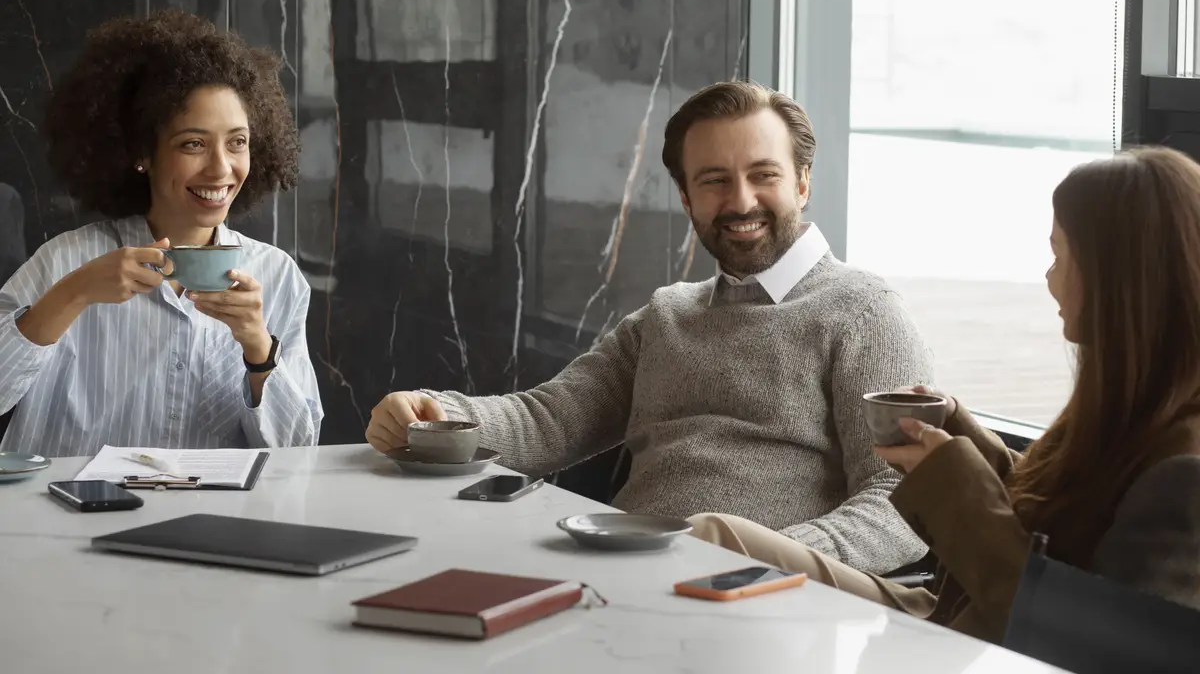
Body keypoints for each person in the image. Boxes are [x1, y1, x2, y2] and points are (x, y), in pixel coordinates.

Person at [367, 81, 933, 574]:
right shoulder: (669, 316)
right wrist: (434, 414)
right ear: (687, 198)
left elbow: (907, 497)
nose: (741, 200)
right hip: (625, 573)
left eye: (764, 175)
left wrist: (768, 556)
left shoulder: (865, 312)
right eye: (714, 181)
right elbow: (551, 421)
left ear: (802, 184)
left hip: (761, 600)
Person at [688, 146, 1200, 643]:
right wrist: (966, 440)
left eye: (1059, 255)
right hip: (945, 611)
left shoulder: (1184, 473)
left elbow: (1087, 640)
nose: (1049, 278)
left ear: (1118, 280)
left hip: (981, 643)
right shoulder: (1133, 405)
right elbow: (1063, 522)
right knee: (714, 535)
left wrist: (953, 485)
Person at [0, 9, 323, 456]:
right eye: (193, 143)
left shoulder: (277, 275)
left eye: (237, 142)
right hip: (64, 517)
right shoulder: (66, 261)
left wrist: (258, 347)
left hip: (209, 522)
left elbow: (299, 452)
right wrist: (72, 294)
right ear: (142, 153)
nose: (221, 168)